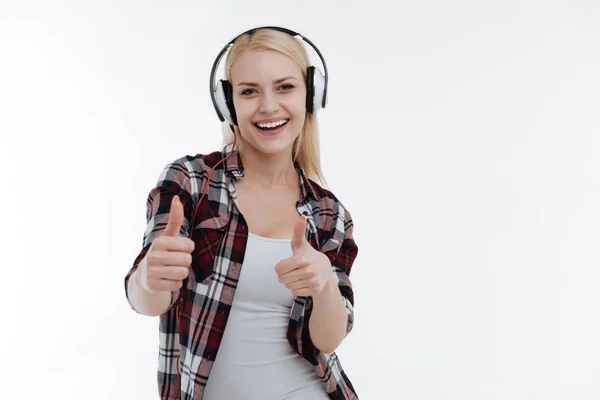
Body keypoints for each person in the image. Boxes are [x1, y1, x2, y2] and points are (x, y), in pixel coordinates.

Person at [124, 26, 360, 400]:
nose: (268, 106)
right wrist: (149, 277)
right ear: (227, 103)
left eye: (285, 87)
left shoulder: (328, 212)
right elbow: (147, 301)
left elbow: (328, 339)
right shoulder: (191, 182)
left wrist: (325, 284)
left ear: (310, 94)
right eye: (249, 91)